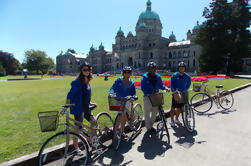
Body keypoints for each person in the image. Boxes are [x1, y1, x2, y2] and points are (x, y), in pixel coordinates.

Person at [65, 62, 98, 154]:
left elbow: (84, 95)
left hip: (86, 107)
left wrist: (91, 103)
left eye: (88, 70)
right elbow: (70, 94)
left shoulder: (88, 80)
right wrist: (66, 105)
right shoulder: (77, 81)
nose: (87, 71)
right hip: (79, 108)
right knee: (77, 129)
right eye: (84, 70)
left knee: (94, 122)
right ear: (81, 71)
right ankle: (76, 148)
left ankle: (93, 142)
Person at [141, 62, 169, 134]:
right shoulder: (145, 77)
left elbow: (161, 85)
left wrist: (165, 88)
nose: (152, 70)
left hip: (156, 97)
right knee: (147, 113)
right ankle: (148, 128)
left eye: (153, 68)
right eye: (150, 68)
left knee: (154, 113)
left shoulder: (158, 77)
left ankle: (150, 125)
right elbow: (143, 88)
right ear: (148, 69)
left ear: (155, 69)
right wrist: (151, 92)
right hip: (147, 96)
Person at [109, 66, 136, 137]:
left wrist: (133, 97)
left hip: (127, 100)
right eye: (126, 72)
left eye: (129, 72)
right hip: (119, 100)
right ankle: (117, 130)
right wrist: (111, 93)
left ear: (130, 74)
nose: (127, 74)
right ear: (123, 73)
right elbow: (113, 88)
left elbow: (133, 93)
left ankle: (122, 131)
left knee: (124, 116)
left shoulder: (131, 83)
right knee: (120, 115)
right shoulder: (118, 80)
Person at [170, 61, 191, 127]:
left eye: (183, 68)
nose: (181, 69)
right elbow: (172, 85)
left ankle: (176, 119)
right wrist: (174, 90)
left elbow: (188, 84)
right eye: (180, 68)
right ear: (178, 68)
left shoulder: (187, 76)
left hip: (183, 94)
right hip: (176, 93)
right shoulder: (174, 75)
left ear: (185, 69)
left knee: (179, 108)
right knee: (173, 107)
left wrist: (185, 89)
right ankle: (172, 120)